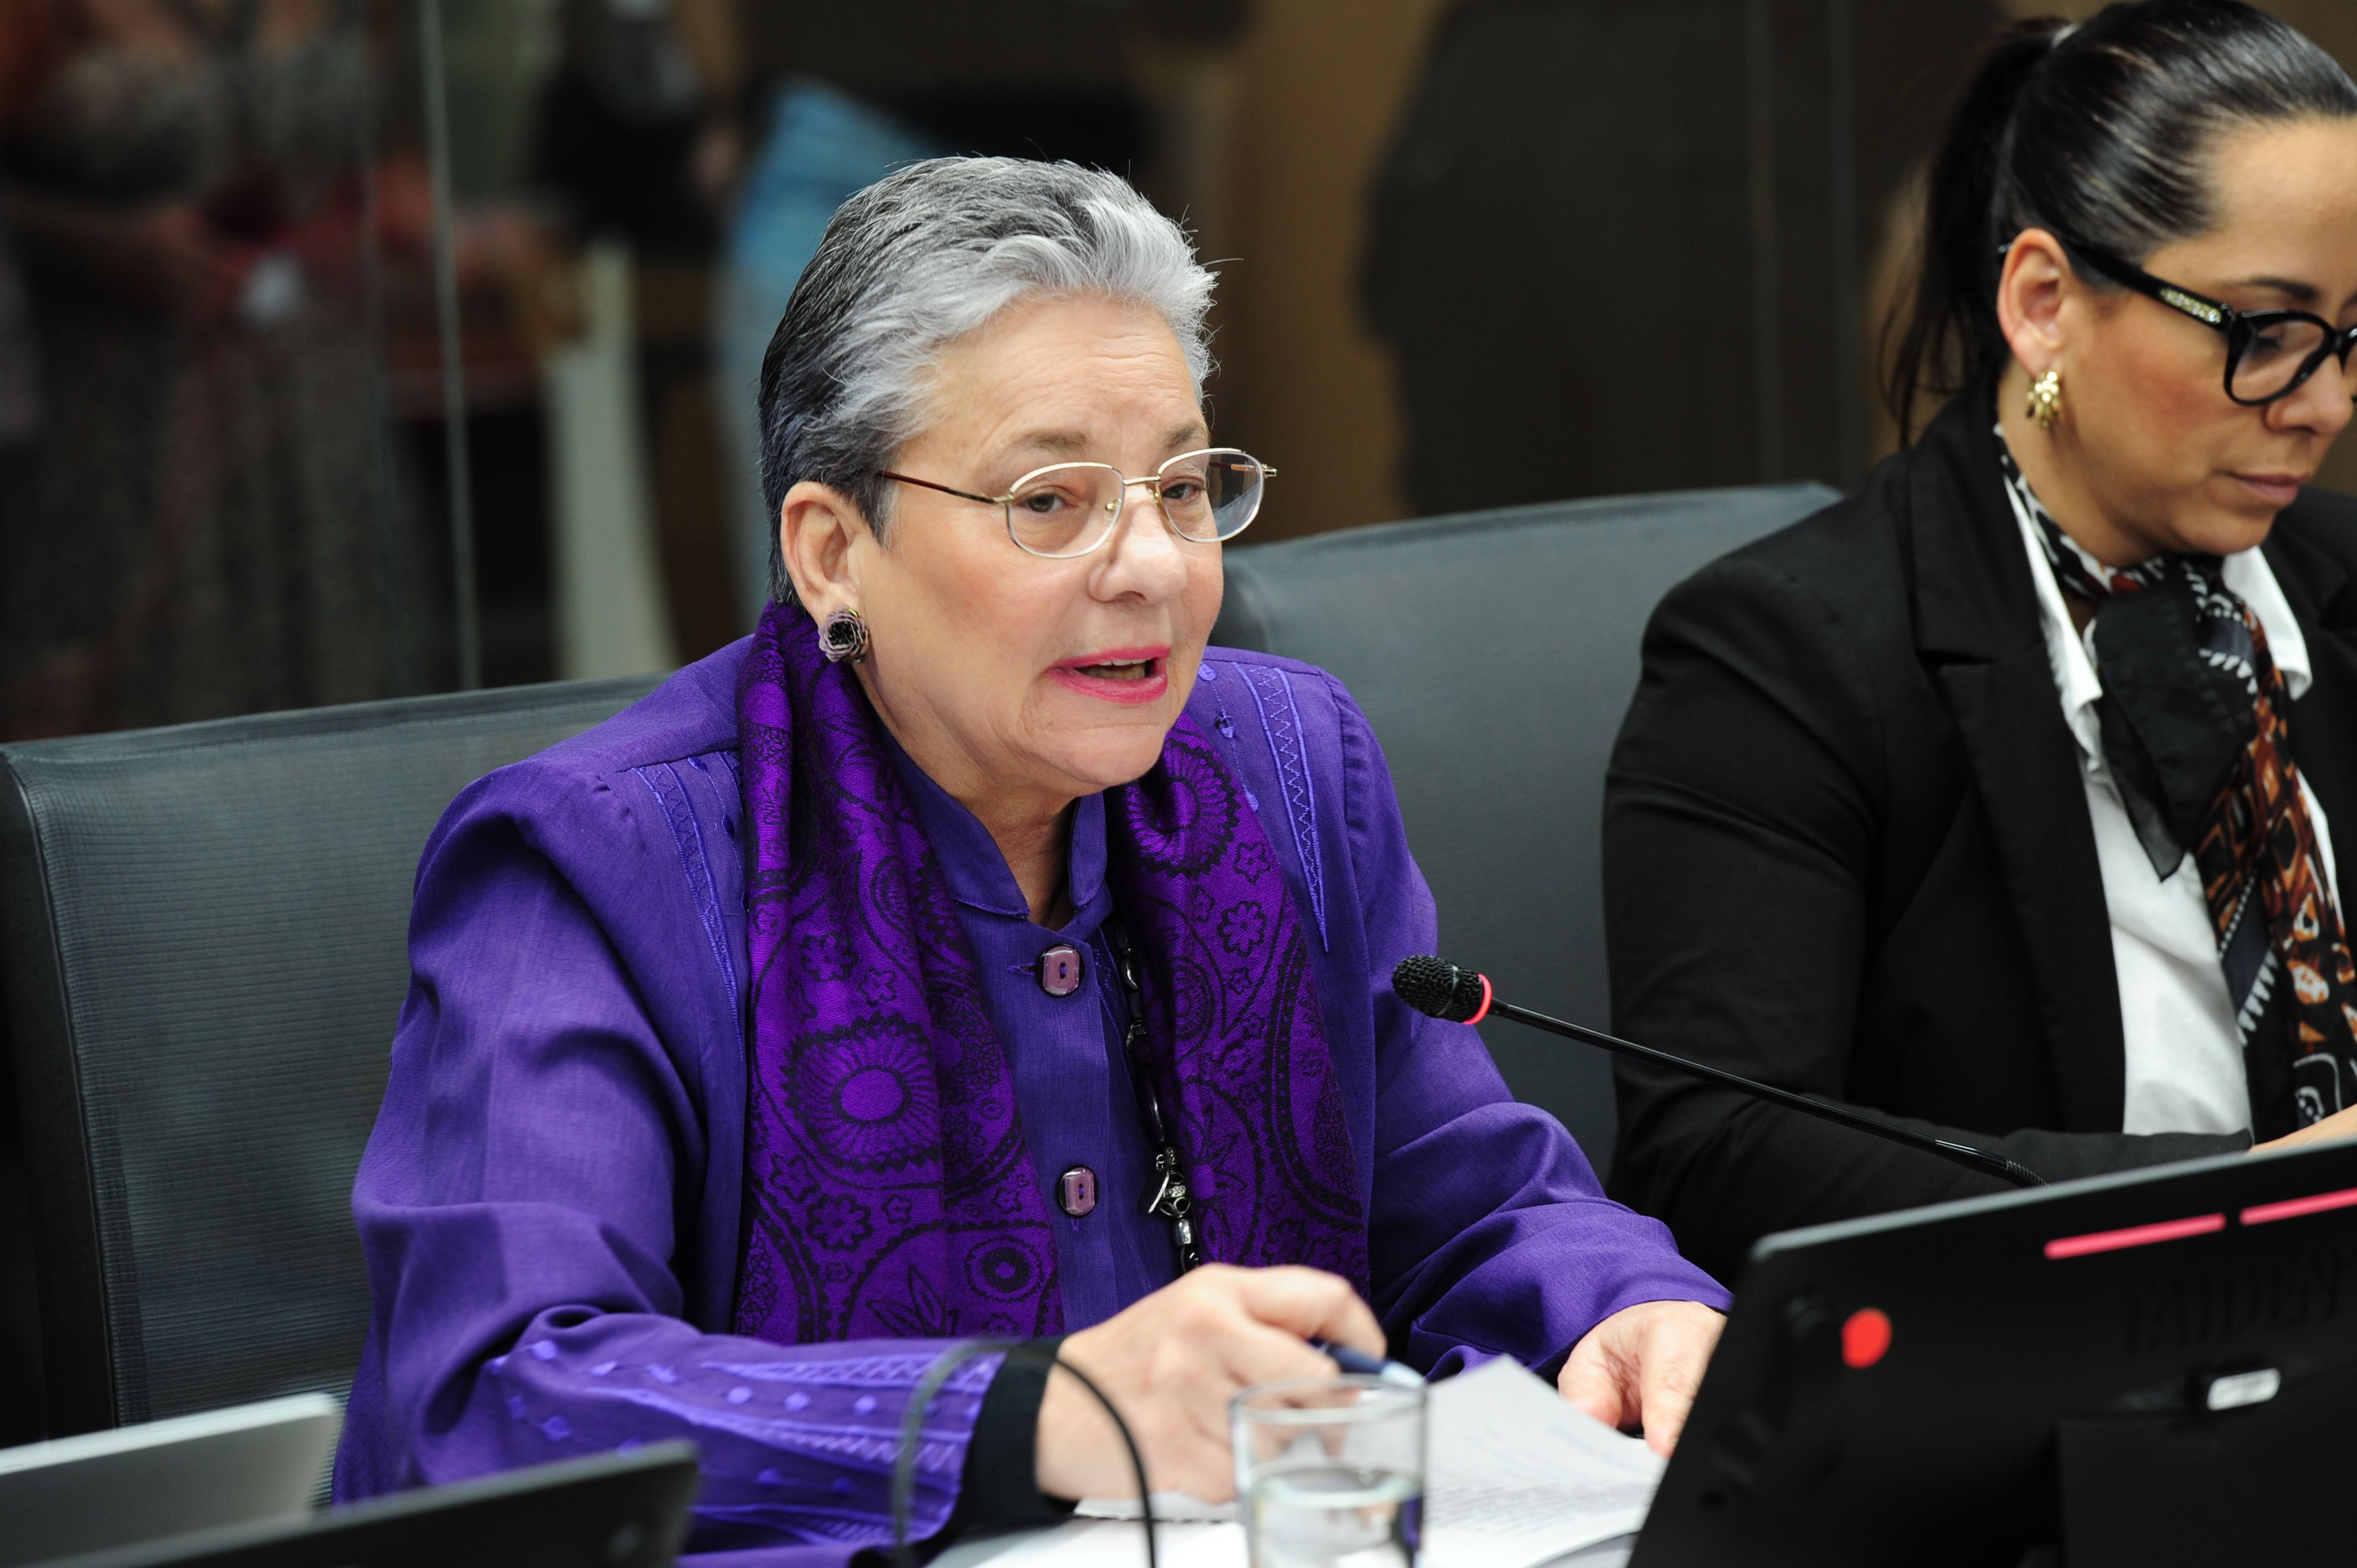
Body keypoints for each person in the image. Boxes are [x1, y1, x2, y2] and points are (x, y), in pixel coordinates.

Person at [334, 157, 1729, 1560]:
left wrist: (1623, 1307)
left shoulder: (1289, 773)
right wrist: (1042, 1415)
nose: (1153, 566)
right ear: (832, 553)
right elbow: (497, 1400)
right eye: (1051, 500)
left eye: (1183, 488)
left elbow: (1472, 1202)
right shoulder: (598, 862)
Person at [1604, 0, 2357, 1284]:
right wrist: (2250, 1197)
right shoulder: (1790, 651)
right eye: (2264, 334)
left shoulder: (2334, 584)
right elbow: (1712, 1148)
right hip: (2056, 1391)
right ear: (2046, 302)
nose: (2324, 405)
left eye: (2347, 339)